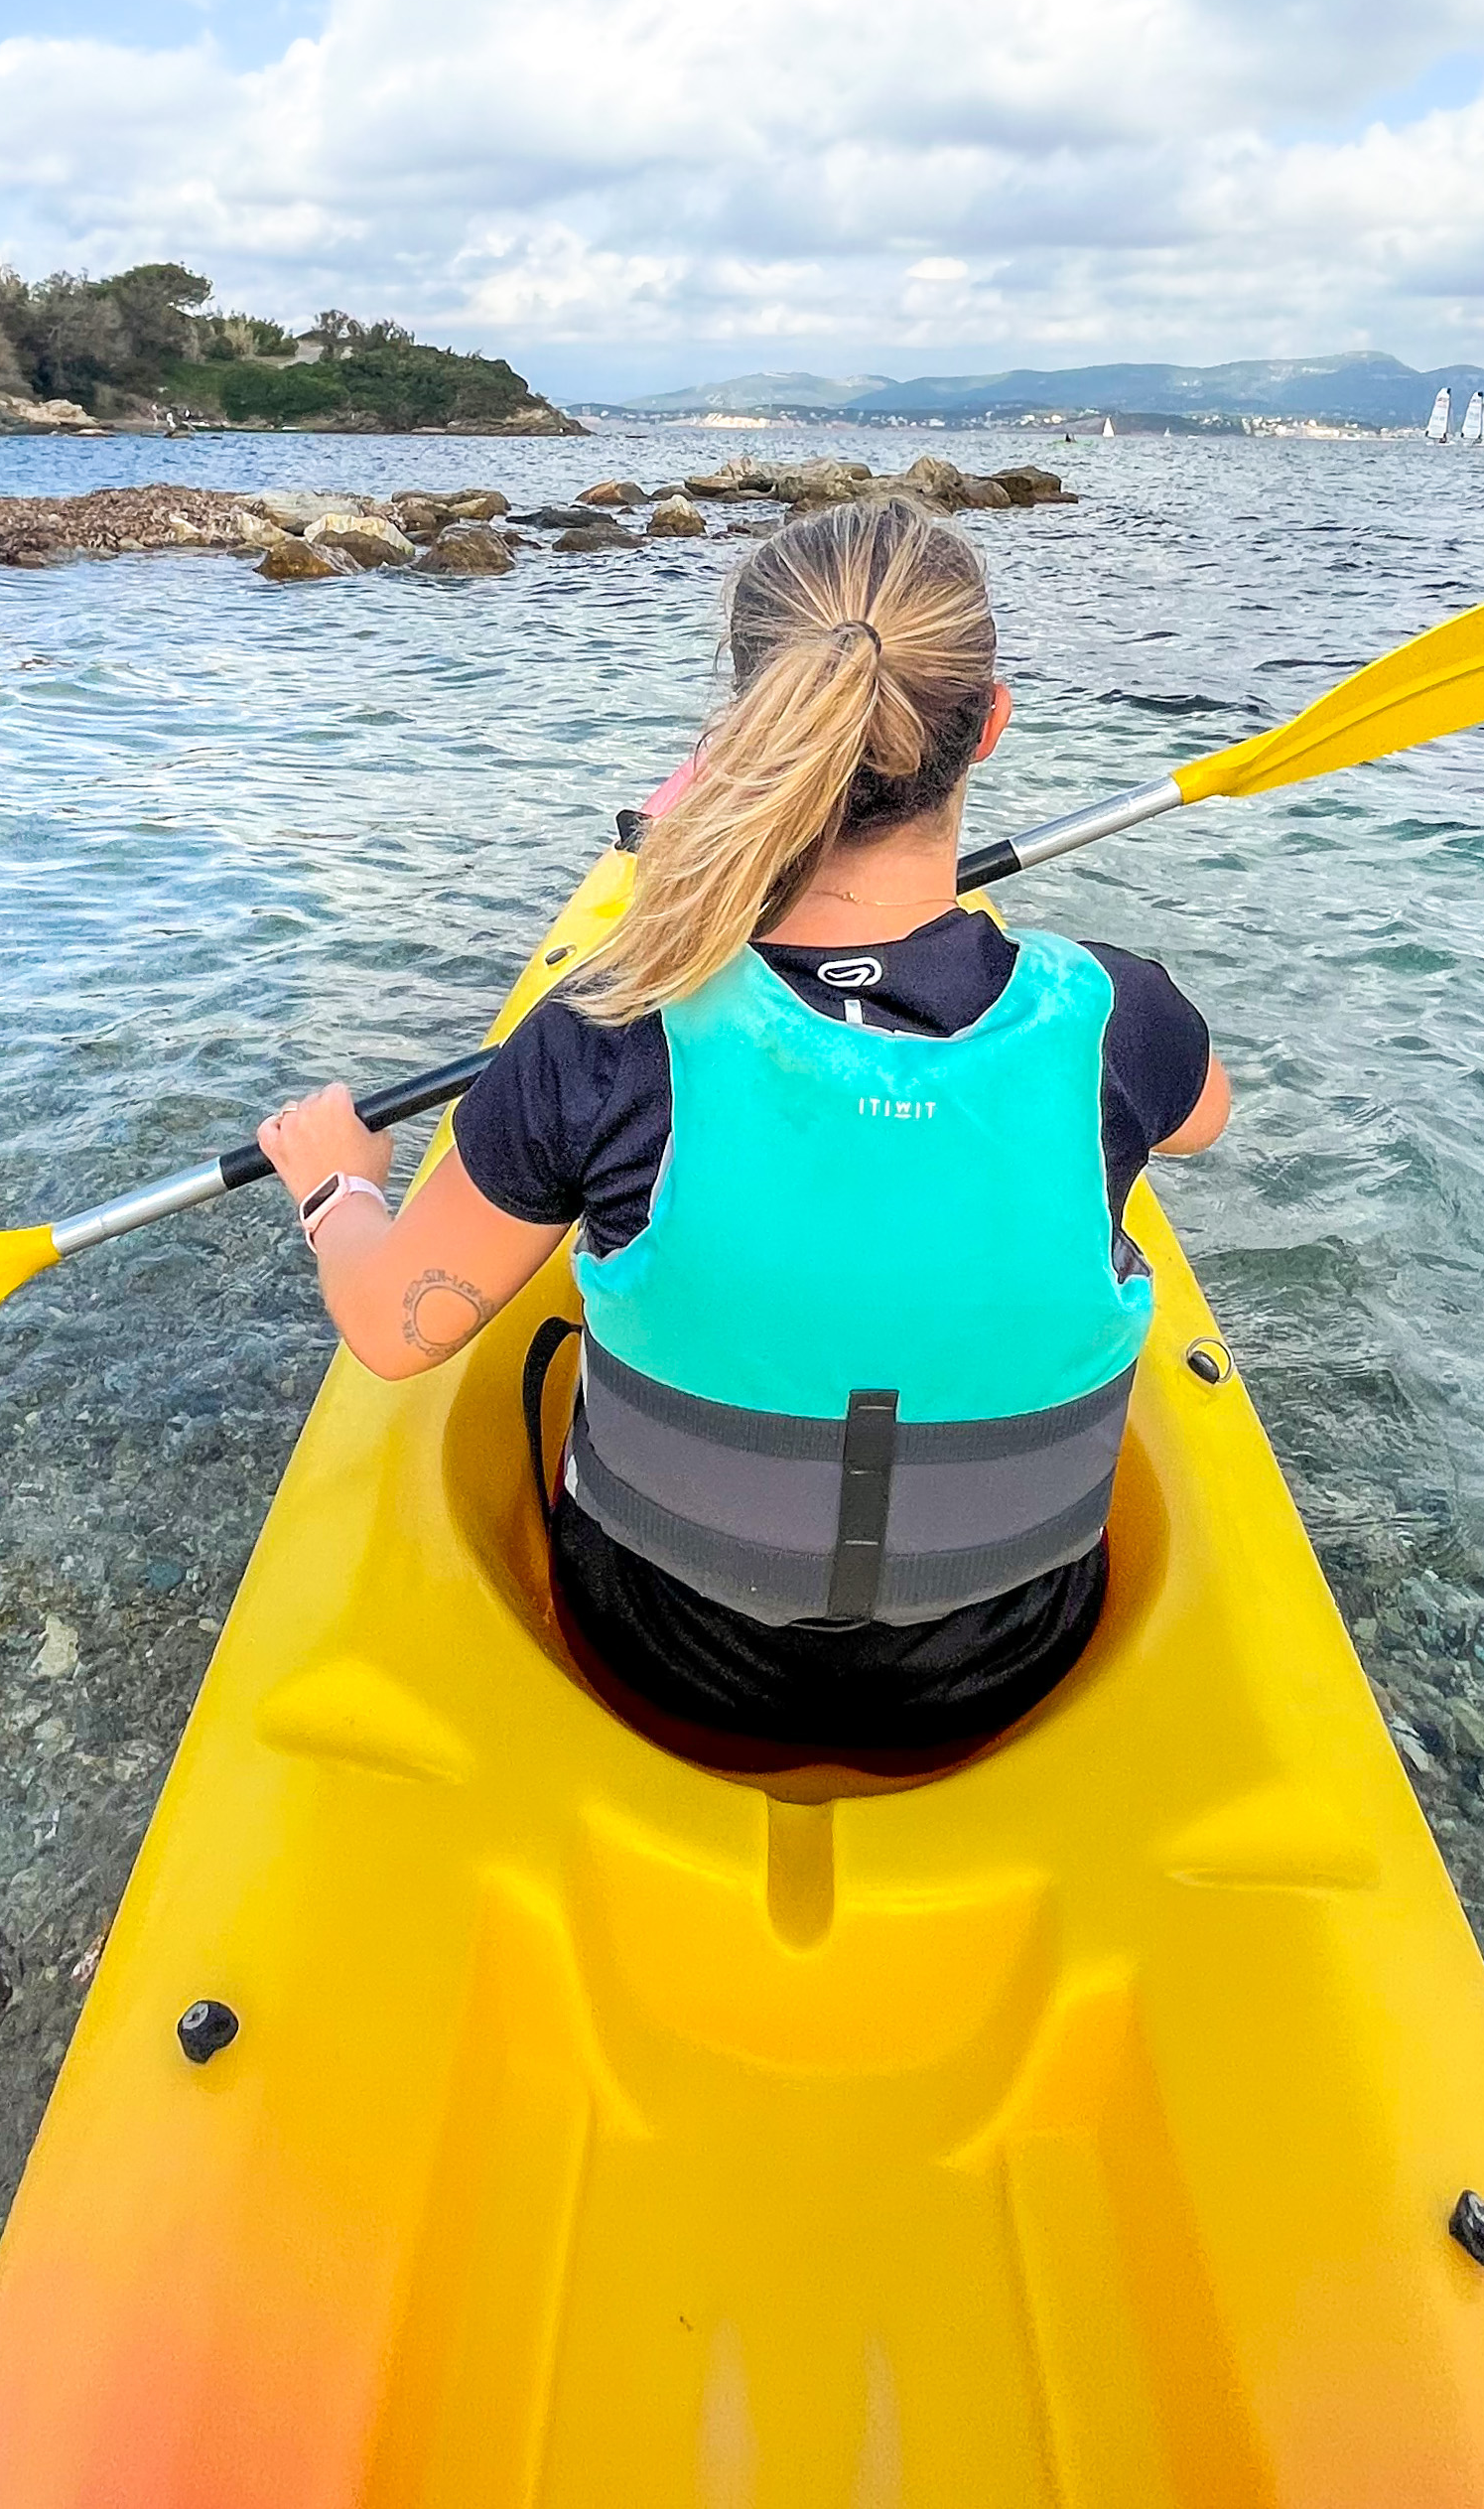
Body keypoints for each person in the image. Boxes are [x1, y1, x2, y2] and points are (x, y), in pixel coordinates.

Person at [258, 493, 1229, 1754]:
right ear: (986, 726)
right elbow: (1202, 1124)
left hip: (665, 1659)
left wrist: (339, 1192)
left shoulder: (602, 1034)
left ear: (739, 735)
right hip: (1010, 1662)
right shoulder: (1118, 1016)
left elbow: (397, 1332)